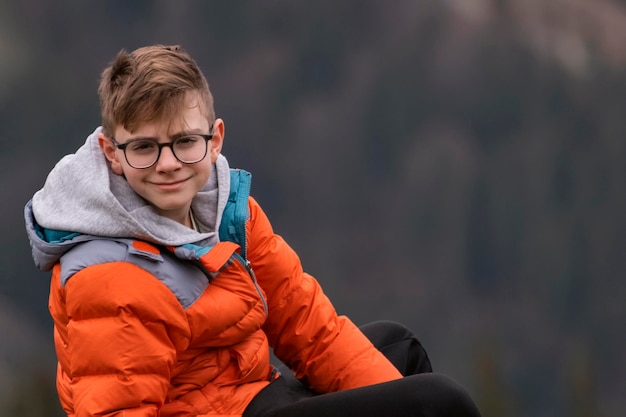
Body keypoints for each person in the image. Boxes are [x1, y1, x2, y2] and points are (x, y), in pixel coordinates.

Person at [24, 45, 481, 417]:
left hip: (254, 394)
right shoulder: (109, 272)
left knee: (398, 347)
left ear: (215, 138)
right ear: (111, 152)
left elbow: (309, 327)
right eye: (144, 147)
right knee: (439, 402)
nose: (168, 164)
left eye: (185, 141)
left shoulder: (226, 212)